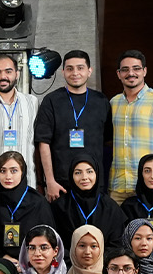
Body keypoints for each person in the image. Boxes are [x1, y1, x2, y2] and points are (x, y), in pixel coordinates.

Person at [33, 49, 111, 201]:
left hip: (94, 183)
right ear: (63, 72)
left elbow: (108, 141)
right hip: (61, 184)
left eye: (80, 68)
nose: (75, 73)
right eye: (70, 68)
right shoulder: (51, 101)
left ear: (89, 71)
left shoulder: (102, 101)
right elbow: (43, 143)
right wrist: (49, 181)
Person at [106, 50, 153, 201]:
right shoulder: (113, 103)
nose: (130, 73)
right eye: (125, 69)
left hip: (149, 186)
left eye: (136, 68)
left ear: (144, 71)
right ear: (118, 74)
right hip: (118, 186)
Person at [54, 154, 127, 246]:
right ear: (71, 176)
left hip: (105, 255)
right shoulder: (59, 207)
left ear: (97, 174)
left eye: (89, 172)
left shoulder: (110, 207)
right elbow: (55, 243)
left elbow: (116, 245)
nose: (84, 177)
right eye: (78, 173)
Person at [0, 152, 48, 260]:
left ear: (22, 172)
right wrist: (3, 257)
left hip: (33, 260)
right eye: (3, 171)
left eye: (14, 171)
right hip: (0, 260)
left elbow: (47, 239)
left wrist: (27, 260)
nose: (8, 176)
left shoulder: (38, 202)